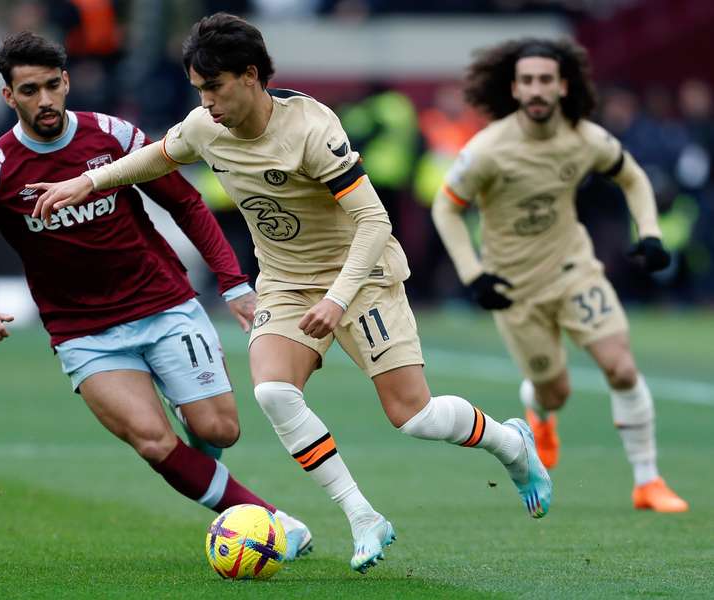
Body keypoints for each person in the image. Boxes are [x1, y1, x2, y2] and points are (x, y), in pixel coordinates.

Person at [28, 14, 552, 574]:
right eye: (199, 91)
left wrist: (338, 298)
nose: (206, 103)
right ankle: (362, 517)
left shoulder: (312, 130)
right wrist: (87, 181)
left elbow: (374, 222)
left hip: (362, 276)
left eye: (214, 88)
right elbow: (160, 154)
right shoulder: (207, 126)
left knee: (413, 416)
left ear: (250, 75)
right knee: (275, 392)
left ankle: (511, 444)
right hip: (285, 281)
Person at [0, 31, 314, 557]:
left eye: (52, 86)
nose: (45, 101)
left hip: (164, 305)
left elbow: (188, 205)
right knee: (154, 442)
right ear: (8, 97)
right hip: (84, 334)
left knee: (219, 429)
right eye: (30, 90)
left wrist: (233, 281)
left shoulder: (113, 137)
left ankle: (198, 455)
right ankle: (270, 523)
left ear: (67, 82)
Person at [431, 38, 688, 512]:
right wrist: (474, 275)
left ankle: (648, 482)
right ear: (514, 87)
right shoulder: (488, 149)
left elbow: (631, 175)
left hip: (575, 271)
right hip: (515, 289)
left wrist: (650, 232)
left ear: (563, 85)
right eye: (527, 80)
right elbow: (445, 207)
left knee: (621, 367)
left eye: (545, 80)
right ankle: (541, 413)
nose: (536, 89)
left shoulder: (583, 137)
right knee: (557, 390)